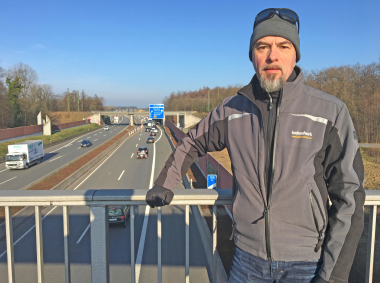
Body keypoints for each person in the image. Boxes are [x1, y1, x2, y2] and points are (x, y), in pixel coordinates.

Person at [146, 8, 365, 283]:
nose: (273, 56)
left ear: (295, 54)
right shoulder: (232, 110)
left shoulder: (330, 112)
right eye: (263, 46)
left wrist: (333, 275)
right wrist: (165, 182)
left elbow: (350, 195)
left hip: (307, 262)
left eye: (283, 46)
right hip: (247, 259)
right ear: (252, 56)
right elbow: (190, 142)